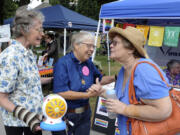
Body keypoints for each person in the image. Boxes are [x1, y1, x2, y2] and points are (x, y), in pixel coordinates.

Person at [97, 26, 172, 135]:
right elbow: (123, 100)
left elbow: (163, 111)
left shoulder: (143, 70)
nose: (111, 45)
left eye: (115, 43)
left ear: (131, 49)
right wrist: (102, 92)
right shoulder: (124, 70)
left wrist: (125, 109)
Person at [0, 7, 52, 135]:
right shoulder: (11, 56)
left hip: (33, 122)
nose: (42, 34)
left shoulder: (28, 53)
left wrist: (52, 79)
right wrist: (29, 118)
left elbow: (27, 83)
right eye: (38, 29)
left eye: (42, 29)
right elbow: (1, 97)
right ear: (23, 30)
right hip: (19, 125)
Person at [53, 31, 115, 135]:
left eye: (93, 46)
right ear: (76, 45)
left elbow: (100, 79)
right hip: (67, 115)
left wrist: (116, 77)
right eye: (89, 46)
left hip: (85, 115)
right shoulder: (63, 64)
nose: (92, 49)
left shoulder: (88, 63)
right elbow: (61, 92)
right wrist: (88, 95)